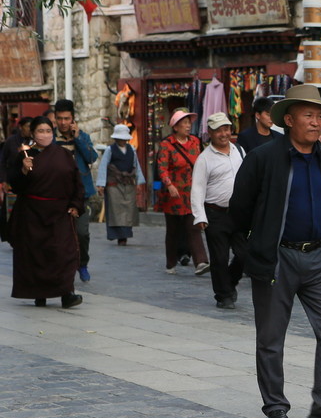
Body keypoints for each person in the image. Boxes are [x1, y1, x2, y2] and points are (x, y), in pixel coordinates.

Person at [229, 84, 321, 418]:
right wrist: (253, 250)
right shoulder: (264, 158)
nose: (316, 123)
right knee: (270, 337)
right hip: (277, 257)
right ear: (290, 119)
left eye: (320, 116)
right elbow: (238, 210)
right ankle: (275, 405)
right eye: (309, 116)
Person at [7, 116, 84, 308]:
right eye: (40, 131)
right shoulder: (25, 155)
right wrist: (24, 172)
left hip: (59, 213)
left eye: (48, 131)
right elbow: (15, 185)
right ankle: (38, 294)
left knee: (63, 253)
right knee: (36, 255)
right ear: (33, 134)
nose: (45, 135)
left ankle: (67, 293)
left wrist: (76, 204)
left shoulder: (63, 155)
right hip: (33, 213)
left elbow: (76, 181)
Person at [191, 113, 247, 310]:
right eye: (219, 130)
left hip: (238, 213)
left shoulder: (239, 150)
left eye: (226, 129)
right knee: (220, 257)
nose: (224, 134)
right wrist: (200, 216)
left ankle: (229, 282)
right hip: (215, 214)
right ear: (210, 133)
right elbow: (197, 188)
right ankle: (223, 295)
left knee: (244, 254)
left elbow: (248, 178)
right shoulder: (204, 159)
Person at [157, 109, 210, 276]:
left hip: (192, 193)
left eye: (189, 123)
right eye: (184, 123)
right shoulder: (167, 145)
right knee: (173, 230)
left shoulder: (195, 142)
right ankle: (170, 262)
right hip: (174, 194)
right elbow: (162, 168)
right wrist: (169, 184)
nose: (188, 126)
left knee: (194, 226)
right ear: (175, 127)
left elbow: (202, 163)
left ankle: (201, 261)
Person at [53, 99, 98, 283]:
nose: (63, 123)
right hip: (56, 194)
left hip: (80, 195)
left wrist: (78, 137)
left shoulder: (82, 137)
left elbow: (91, 157)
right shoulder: (50, 138)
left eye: (66, 119)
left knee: (82, 233)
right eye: (59, 119)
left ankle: (83, 263)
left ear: (73, 119)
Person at [94, 124, 145, 246]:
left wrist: (138, 182)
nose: (122, 141)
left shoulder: (132, 150)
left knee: (128, 210)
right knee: (116, 210)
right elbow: (103, 167)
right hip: (114, 185)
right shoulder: (110, 150)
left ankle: (125, 235)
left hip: (128, 184)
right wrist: (101, 184)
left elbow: (136, 165)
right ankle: (118, 236)